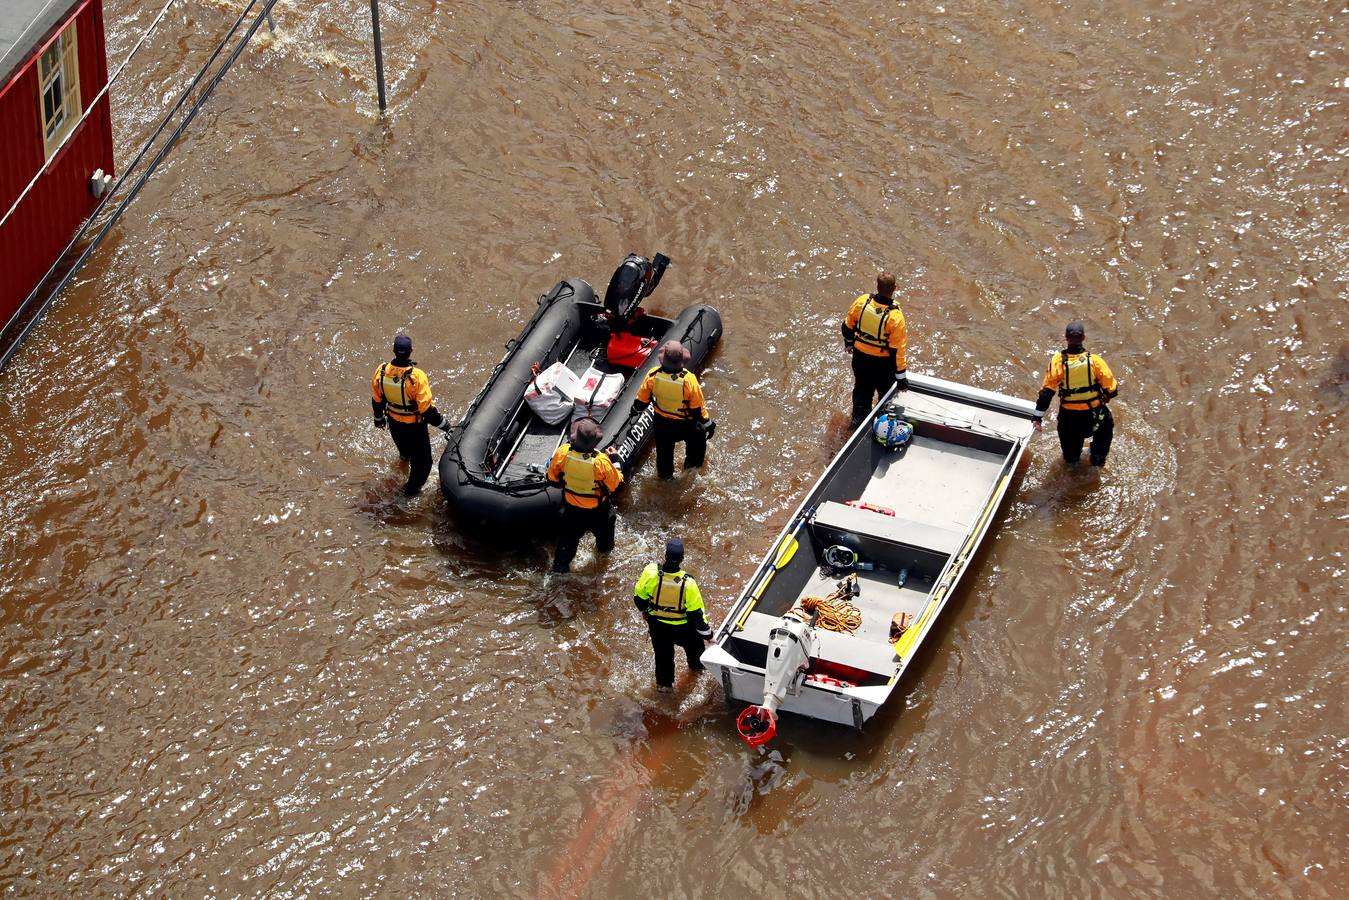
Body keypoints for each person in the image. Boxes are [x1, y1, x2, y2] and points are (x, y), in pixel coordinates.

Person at [371, 333, 451, 495]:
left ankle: (402, 464)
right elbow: (427, 411)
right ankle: (408, 494)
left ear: (393, 350)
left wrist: (379, 419)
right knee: (423, 463)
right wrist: (446, 426)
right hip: (415, 427)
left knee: (405, 453)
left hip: (394, 424)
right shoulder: (417, 376)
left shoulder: (381, 371)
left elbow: (377, 400)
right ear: (411, 350)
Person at [1032, 320, 1119, 467]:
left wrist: (1037, 417)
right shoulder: (1095, 361)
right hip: (1095, 416)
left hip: (1069, 419)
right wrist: (1105, 396)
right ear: (1083, 338)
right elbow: (1112, 390)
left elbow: (1046, 394)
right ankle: (1097, 460)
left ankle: (1073, 468)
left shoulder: (1058, 361)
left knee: (1071, 460)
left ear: (1066, 338)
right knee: (1101, 450)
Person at [633, 539, 712, 693]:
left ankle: (664, 689)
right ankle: (696, 674)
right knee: (696, 656)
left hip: (659, 628)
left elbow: (639, 599)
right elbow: (696, 615)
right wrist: (708, 635)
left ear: (665, 556)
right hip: (684, 629)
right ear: (682, 559)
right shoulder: (688, 583)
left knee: (663, 659)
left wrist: (645, 612)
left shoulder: (651, 572)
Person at [546, 416, 624, 573]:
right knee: (605, 548)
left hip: (572, 510)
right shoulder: (601, 462)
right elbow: (616, 483)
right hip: (599, 512)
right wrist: (615, 459)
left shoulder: (563, 453)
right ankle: (602, 567)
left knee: (566, 546)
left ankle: (559, 573)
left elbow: (552, 479)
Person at [632, 341, 714, 479]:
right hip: (686, 424)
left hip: (662, 424)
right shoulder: (688, 380)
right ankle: (690, 472)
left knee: (664, 455)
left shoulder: (653, 375)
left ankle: (665, 478)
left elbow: (641, 402)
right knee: (697, 444)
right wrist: (708, 424)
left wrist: (634, 410)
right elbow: (697, 409)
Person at [841, 271, 909, 427]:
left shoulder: (862, 302)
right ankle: (881, 425)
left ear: (877, 287)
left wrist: (849, 343)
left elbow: (846, 326)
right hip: (883, 365)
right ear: (895, 288)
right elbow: (898, 351)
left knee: (861, 391)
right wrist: (901, 379)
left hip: (860, 359)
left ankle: (857, 422)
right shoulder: (895, 317)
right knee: (886, 396)